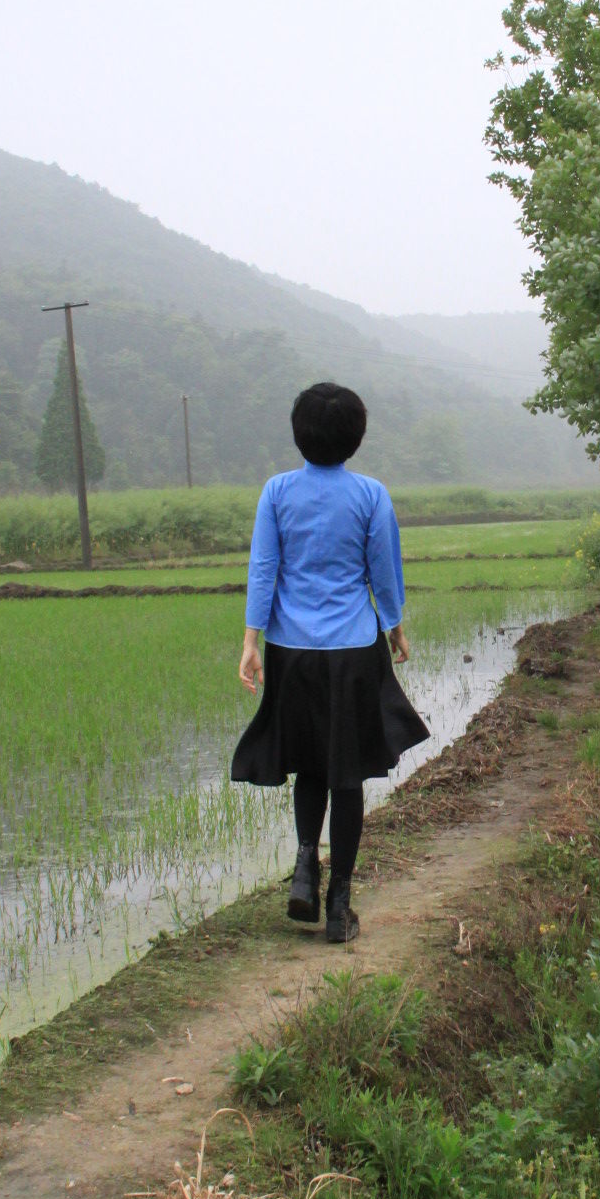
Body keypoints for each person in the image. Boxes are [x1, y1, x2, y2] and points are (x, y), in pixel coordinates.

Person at [230, 382, 429, 943]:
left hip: (292, 652)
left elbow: (263, 568)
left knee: (310, 765)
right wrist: (394, 626)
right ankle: (340, 901)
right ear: (356, 437)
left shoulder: (277, 492)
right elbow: (383, 572)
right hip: (351, 651)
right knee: (346, 774)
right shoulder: (370, 495)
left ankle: (302, 868)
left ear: (299, 434)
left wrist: (252, 639)